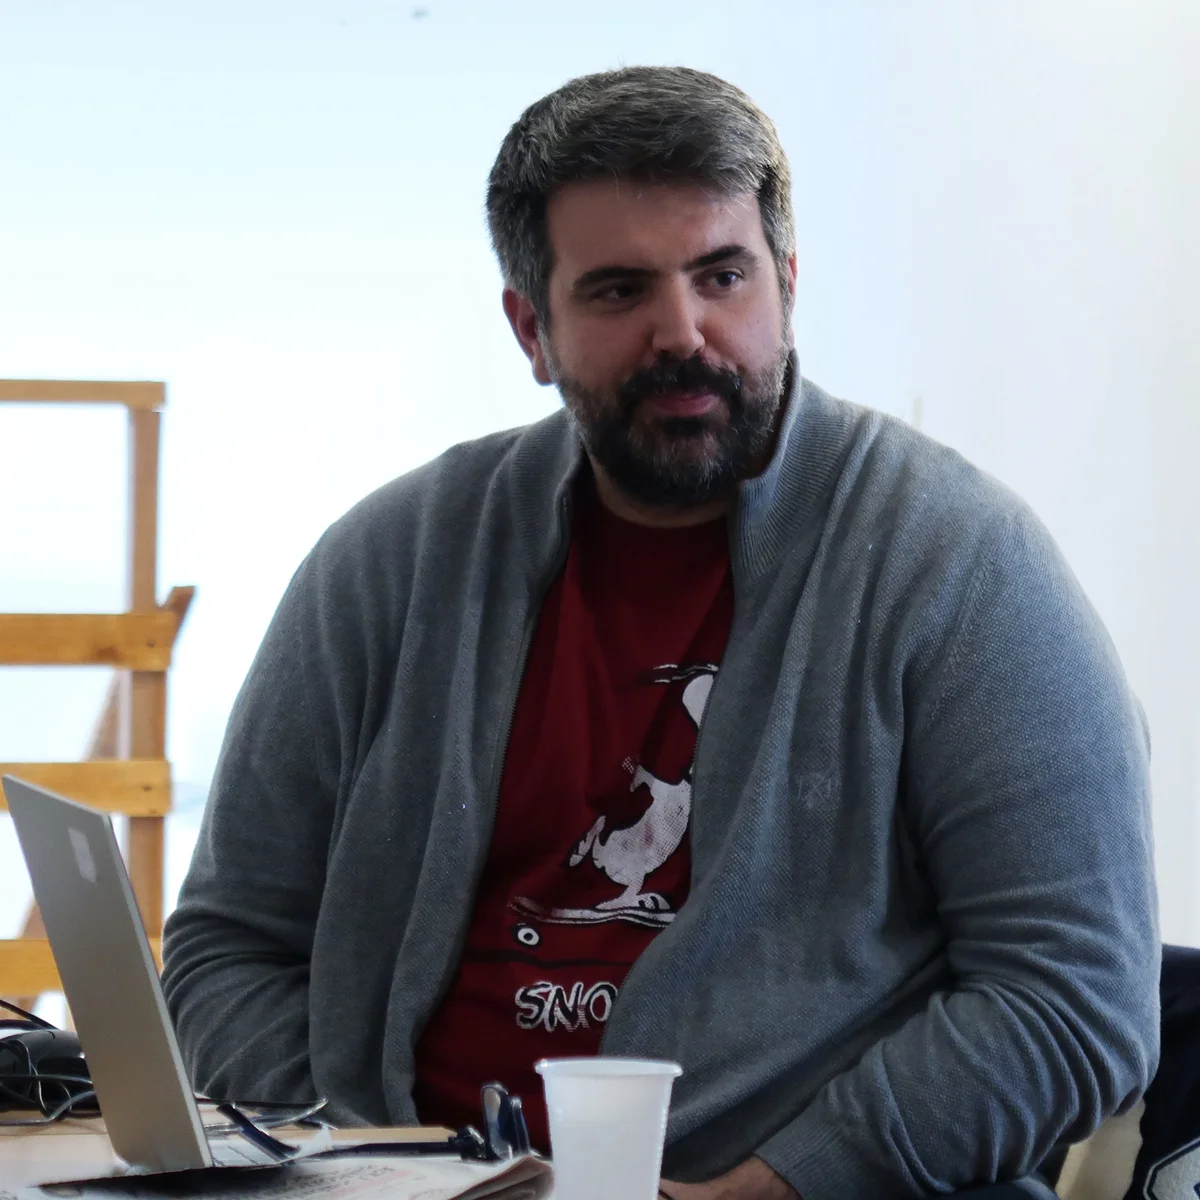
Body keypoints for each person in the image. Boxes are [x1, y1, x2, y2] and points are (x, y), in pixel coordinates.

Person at [161, 66, 1160, 1199]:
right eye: (619, 291)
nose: (682, 332)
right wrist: (356, 1169)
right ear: (532, 330)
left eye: (722, 276)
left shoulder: (960, 565)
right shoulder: (389, 563)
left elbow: (1074, 1000)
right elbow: (230, 943)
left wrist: (773, 1188)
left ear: (787, 283)